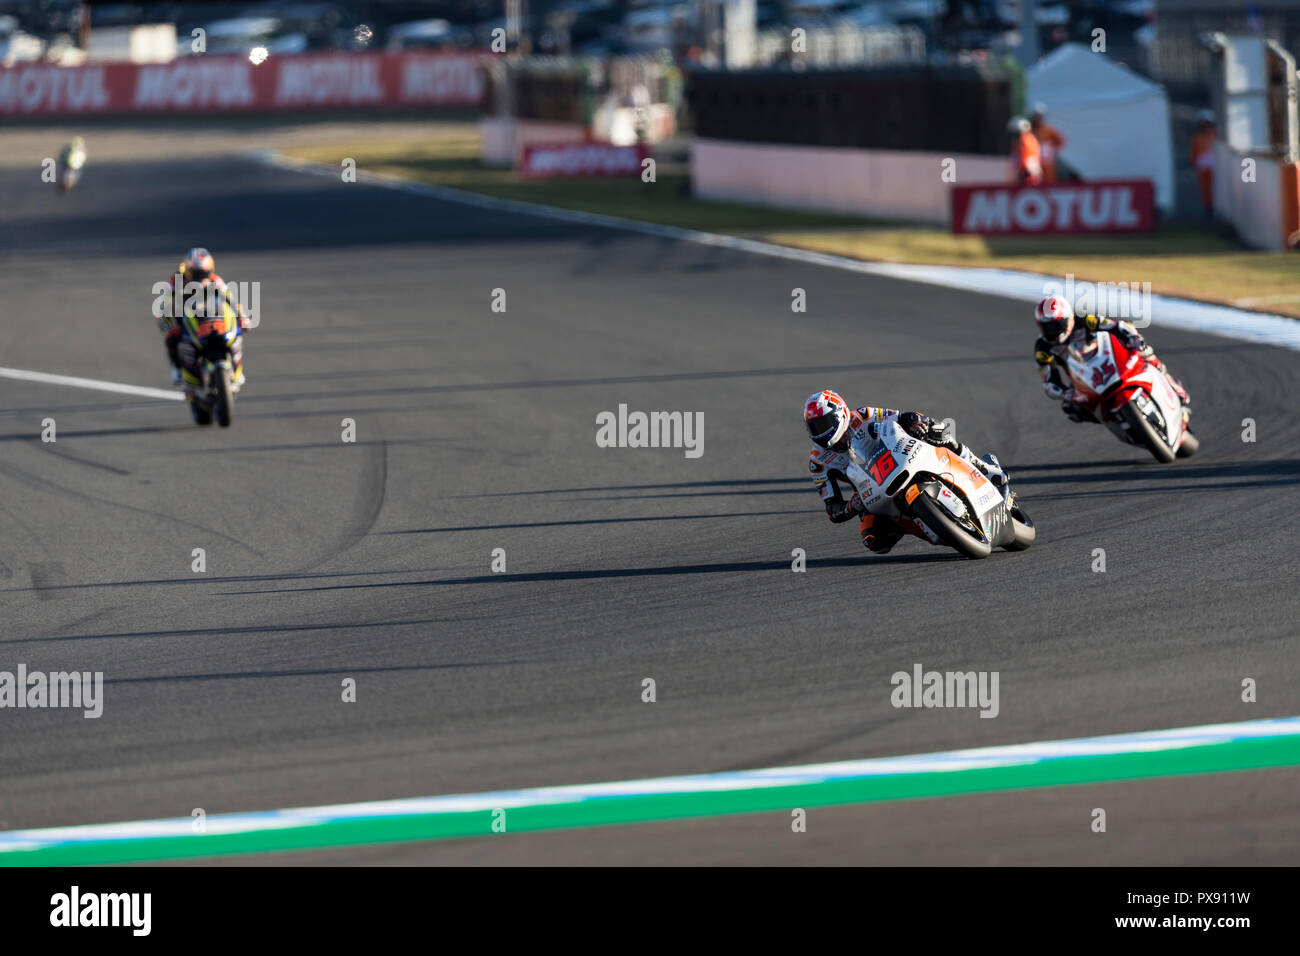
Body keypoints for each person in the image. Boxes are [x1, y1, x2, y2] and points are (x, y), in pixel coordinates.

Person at [803, 390, 1007, 554]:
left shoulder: (863, 416)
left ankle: (983, 467)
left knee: (934, 429)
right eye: (814, 428)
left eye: (823, 424)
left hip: (901, 455)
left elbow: (903, 417)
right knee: (874, 541)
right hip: (871, 489)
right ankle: (925, 522)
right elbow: (832, 509)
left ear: (840, 414)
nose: (820, 432)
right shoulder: (818, 461)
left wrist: (917, 424)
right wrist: (850, 506)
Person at [1033, 296, 1188, 424]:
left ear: (1068, 319)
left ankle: (1175, 387)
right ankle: (1116, 421)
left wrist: (1134, 339)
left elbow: (1115, 326)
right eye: (1046, 327)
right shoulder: (1043, 348)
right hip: (1083, 380)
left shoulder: (1085, 320)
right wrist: (1064, 394)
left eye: (1056, 325)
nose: (1051, 331)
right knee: (1071, 410)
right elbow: (1049, 381)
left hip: (1107, 359)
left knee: (1145, 352)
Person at [155, 248, 248, 389]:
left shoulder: (215, 280)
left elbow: (231, 299)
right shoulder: (176, 280)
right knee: (172, 337)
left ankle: (236, 368)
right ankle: (177, 368)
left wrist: (242, 317)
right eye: (198, 274)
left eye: (205, 273)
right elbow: (163, 302)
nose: (202, 278)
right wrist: (166, 322)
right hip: (185, 316)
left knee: (237, 332)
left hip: (211, 316)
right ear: (188, 271)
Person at [1190, 110, 1217, 218]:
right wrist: (1192, 161)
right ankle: (1208, 207)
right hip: (1202, 166)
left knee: (1215, 187)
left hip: (1214, 165)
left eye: (1207, 124)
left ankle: (1215, 206)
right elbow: (1194, 151)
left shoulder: (1215, 135)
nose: (1205, 127)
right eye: (1203, 124)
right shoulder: (1197, 137)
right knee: (1205, 188)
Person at [1029, 104, 1065, 183]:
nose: (1037, 118)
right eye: (1036, 116)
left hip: (1046, 161)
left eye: (1039, 116)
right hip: (1033, 161)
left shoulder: (1048, 130)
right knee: (1033, 179)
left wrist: (1052, 150)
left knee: (1049, 179)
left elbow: (1061, 141)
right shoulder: (1030, 130)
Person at [1008, 116, 1042, 186]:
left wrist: (1021, 174)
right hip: (1030, 176)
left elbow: (1025, 158)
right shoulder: (1030, 139)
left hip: (1027, 178)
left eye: (1015, 134)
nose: (1013, 138)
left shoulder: (1025, 141)